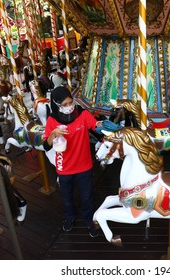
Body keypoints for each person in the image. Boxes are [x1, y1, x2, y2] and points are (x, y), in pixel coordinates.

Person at [43, 86, 102, 237]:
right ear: (56, 105)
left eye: (70, 102)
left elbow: (96, 126)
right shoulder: (52, 120)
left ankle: (89, 221)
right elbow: (46, 146)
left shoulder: (82, 114)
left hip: (84, 165)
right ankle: (69, 217)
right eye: (64, 105)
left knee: (87, 197)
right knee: (67, 198)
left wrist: (105, 126)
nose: (69, 107)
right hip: (64, 167)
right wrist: (53, 134)